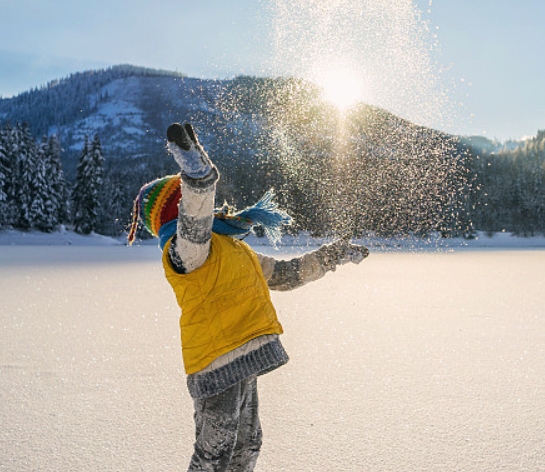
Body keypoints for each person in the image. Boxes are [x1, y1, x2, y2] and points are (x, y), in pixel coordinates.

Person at [128, 122, 369, 471]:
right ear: (177, 213)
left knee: (247, 447)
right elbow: (195, 222)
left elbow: (285, 276)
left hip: (244, 358)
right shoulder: (185, 252)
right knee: (214, 455)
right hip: (215, 363)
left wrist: (331, 255)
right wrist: (199, 178)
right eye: (187, 203)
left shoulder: (231, 248)